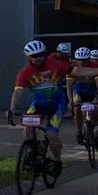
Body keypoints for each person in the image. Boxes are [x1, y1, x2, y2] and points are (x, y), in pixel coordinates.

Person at [8, 39, 68, 177]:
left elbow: (77, 71)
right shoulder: (25, 72)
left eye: (41, 54)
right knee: (27, 127)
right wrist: (12, 110)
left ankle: (57, 161)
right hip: (38, 104)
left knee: (51, 135)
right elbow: (17, 92)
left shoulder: (55, 64)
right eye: (35, 56)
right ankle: (30, 151)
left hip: (57, 104)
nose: (39, 58)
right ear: (29, 57)